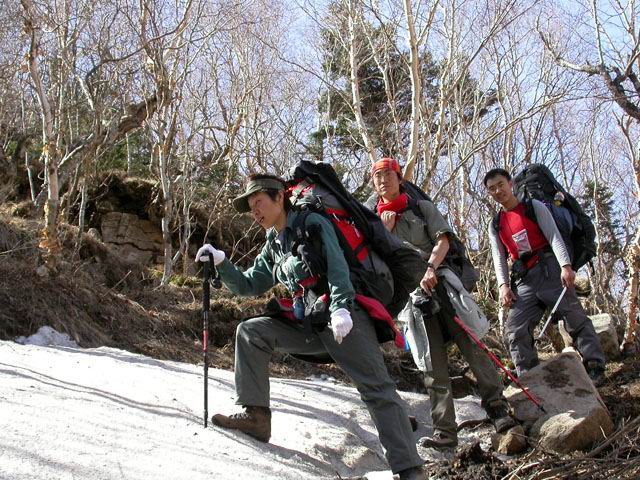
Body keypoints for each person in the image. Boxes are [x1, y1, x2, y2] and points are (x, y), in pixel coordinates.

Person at [196, 173, 427, 480]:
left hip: (344, 317)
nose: (255, 212)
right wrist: (222, 263)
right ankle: (256, 417)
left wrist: (342, 307)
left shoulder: (312, 223)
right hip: (310, 323)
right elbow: (250, 284)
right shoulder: (274, 243)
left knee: (377, 388)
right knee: (251, 332)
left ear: (280, 197)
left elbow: (338, 267)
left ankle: (410, 468)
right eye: (251, 207)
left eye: (259, 202)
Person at [369, 158, 516, 450]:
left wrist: (430, 268)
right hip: (411, 301)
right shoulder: (373, 221)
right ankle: (445, 431)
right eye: (377, 177)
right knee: (430, 364)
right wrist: (383, 232)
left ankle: (498, 409)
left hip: (442, 287)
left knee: (472, 345)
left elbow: (444, 241)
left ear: (399, 178)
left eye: (388, 174)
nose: (383, 180)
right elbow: (375, 265)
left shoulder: (421, 208)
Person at [483, 168, 606, 383]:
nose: (498, 191)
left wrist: (566, 266)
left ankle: (595, 365)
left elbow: (554, 236)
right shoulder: (495, 224)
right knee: (515, 328)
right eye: (492, 189)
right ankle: (528, 378)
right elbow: (498, 257)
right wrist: (503, 286)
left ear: (510, 184)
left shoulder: (533, 207)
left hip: (550, 268)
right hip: (524, 279)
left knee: (573, 317)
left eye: (501, 185)